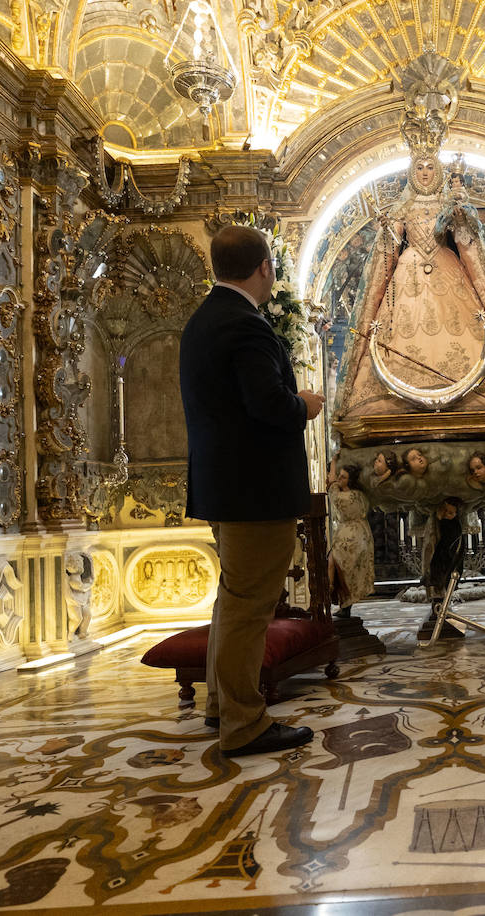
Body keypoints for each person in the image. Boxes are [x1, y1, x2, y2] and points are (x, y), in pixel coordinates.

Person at [180, 225, 325, 756]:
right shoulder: (246, 326)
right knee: (249, 609)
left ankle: (222, 705)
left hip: (225, 487)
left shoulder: (203, 320)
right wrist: (304, 405)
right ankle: (244, 723)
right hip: (255, 493)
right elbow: (268, 405)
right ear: (265, 267)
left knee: (233, 600)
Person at [332, 116, 485, 424]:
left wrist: (460, 214)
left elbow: (466, 240)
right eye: (419, 167)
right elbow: (390, 249)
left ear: (439, 171)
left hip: (446, 267)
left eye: (430, 167)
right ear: (411, 172)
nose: (425, 172)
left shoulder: (450, 201)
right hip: (409, 272)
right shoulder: (402, 207)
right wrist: (387, 231)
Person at [328, 462, 374, 619]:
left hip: (350, 537)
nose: (339, 479)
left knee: (342, 568)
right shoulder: (360, 495)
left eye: (343, 477)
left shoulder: (346, 497)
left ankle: (341, 602)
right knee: (346, 570)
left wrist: (334, 471)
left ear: (350, 480)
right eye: (340, 476)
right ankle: (345, 605)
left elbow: (332, 491)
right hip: (361, 534)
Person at [417, 496, 466, 640]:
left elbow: (456, 542)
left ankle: (443, 604)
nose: (451, 515)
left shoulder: (454, 524)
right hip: (440, 559)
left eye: (453, 513)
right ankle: (438, 604)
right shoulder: (437, 525)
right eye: (448, 512)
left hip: (450, 558)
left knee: (449, 578)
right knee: (439, 578)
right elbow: (434, 547)